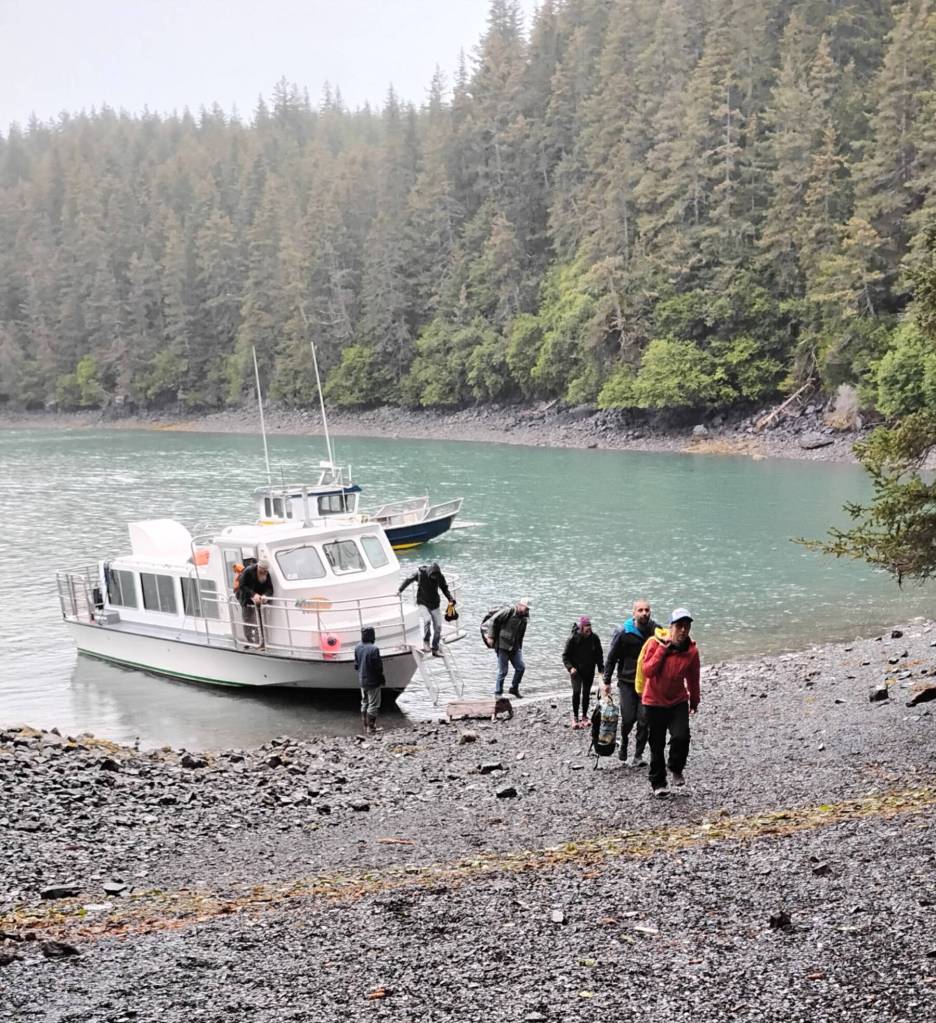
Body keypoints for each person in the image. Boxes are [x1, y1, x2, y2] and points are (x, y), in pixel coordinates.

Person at [640, 608, 700, 798]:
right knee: (656, 744)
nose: (683, 630)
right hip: (654, 701)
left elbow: (693, 678)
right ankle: (658, 783)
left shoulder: (691, 651)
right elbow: (648, 671)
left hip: (677, 701)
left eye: (686, 626)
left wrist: (695, 700)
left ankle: (675, 767)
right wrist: (662, 650)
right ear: (671, 627)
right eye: (679, 626)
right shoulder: (654, 644)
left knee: (681, 736)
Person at [603, 599, 659, 765]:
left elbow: (667, 648)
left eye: (647, 610)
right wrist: (606, 681)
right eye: (640, 610)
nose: (644, 613)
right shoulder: (624, 632)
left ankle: (638, 755)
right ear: (633, 613)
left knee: (644, 719)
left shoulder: (656, 630)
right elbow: (612, 658)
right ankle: (625, 739)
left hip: (647, 683)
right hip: (627, 681)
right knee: (628, 718)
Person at [398, 562, 455, 656]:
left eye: (436, 577)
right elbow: (408, 580)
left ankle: (435, 648)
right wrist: (400, 590)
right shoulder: (421, 574)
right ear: (429, 573)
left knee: (438, 627)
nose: (434, 578)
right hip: (422, 602)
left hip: (435, 604)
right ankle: (426, 641)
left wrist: (450, 599)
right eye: (433, 576)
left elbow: (444, 588)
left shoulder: (439, 577)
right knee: (427, 620)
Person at [562, 616, 604, 728]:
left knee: (586, 692)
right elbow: (565, 656)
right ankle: (575, 717)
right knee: (576, 692)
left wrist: (601, 670)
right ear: (581, 628)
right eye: (586, 627)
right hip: (576, 671)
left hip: (589, 670)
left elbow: (599, 655)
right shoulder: (573, 639)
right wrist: (570, 668)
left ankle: (585, 716)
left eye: (590, 627)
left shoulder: (594, 638)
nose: (588, 630)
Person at [488, 598, 531, 698]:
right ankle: (498, 693)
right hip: (502, 646)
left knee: (521, 668)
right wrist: (490, 637)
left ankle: (514, 689)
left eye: (528, 609)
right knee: (503, 671)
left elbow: (521, 635)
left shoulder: (524, 619)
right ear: (520, 605)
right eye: (526, 608)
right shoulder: (508, 612)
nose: (527, 611)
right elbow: (493, 621)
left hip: (515, 647)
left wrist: (520, 647)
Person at [354, 626, 385, 735]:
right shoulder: (374, 649)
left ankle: (365, 726)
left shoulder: (357, 647)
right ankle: (371, 728)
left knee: (364, 702)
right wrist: (381, 678)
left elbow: (356, 665)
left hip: (362, 680)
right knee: (373, 704)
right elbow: (378, 667)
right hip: (373, 682)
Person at [237, 558, 274, 647]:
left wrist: (265, 595)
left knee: (260, 621)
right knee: (248, 620)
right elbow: (242, 586)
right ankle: (249, 642)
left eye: (265, 571)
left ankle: (259, 643)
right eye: (262, 570)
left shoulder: (266, 574)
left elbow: (270, 588)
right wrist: (253, 595)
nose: (264, 572)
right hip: (247, 599)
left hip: (259, 601)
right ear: (258, 566)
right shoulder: (248, 571)